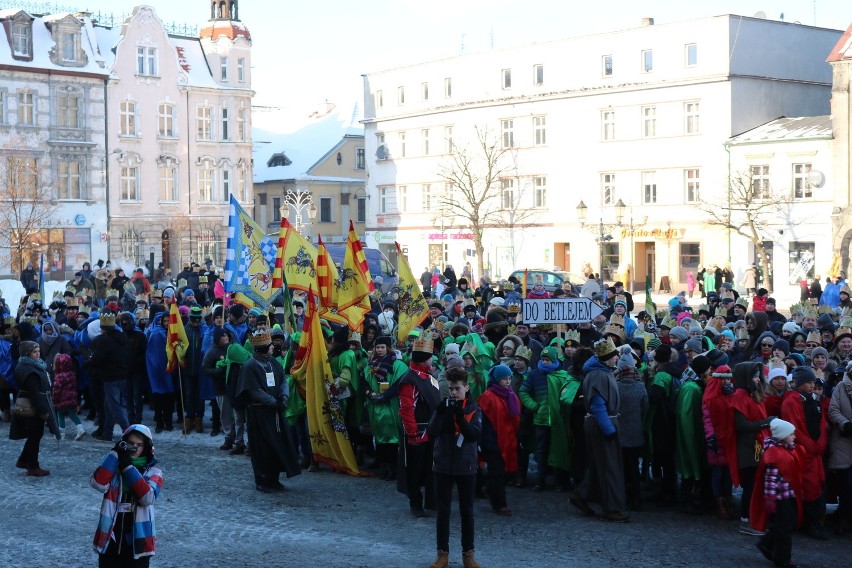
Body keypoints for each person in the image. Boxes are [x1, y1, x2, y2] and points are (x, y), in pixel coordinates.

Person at [426, 366, 482, 568]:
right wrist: (441, 413)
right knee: (443, 512)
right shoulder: (444, 406)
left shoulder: (474, 409)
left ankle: (468, 554)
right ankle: (442, 554)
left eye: (457, 388)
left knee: (467, 512)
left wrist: (459, 416)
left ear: (466, 388)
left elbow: (473, 435)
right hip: (442, 465)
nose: (454, 392)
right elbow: (432, 431)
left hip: (466, 465)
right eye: (451, 388)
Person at [570, 337, 628, 522]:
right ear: (607, 358)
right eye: (614, 356)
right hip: (602, 424)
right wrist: (608, 429)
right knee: (609, 466)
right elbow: (597, 405)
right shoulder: (599, 375)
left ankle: (582, 495)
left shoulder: (603, 372)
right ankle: (611, 507)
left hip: (604, 422)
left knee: (598, 464)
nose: (617, 358)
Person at [235, 330, 301, 492]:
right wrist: (274, 402)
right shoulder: (250, 366)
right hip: (259, 414)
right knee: (262, 448)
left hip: (275, 413)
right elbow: (254, 391)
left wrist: (283, 398)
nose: (273, 347)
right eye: (270, 345)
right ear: (264, 347)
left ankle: (274, 478)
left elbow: (283, 381)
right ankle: (263, 480)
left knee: (277, 446)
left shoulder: (273, 363)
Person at [91, 424, 163, 567]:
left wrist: (127, 467)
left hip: (139, 534)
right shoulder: (115, 466)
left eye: (139, 445)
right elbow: (97, 483)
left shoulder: (154, 471)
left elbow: (147, 498)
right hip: (111, 530)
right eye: (130, 443)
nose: (134, 448)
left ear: (147, 446)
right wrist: (114, 454)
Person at [398, 335, 442, 517]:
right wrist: (413, 433)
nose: (433, 359)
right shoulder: (410, 379)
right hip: (417, 434)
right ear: (425, 358)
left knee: (430, 468)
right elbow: (406, 409)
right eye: (430, 356)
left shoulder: (428, 377)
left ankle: (431, 502)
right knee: (414, 470)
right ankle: (416, 504)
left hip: (431, 433)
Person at [751, 419, 803, 568]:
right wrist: (770, 499)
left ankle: (766, 544)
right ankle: (783, 560)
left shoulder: (787, 449)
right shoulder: (774, 453)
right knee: (784, 531)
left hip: (789, 495)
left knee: (784, 526)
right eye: (791, 434)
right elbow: (770, 479)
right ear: (782, 436)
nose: (794, 436)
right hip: (781, 499)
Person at [12, 341, 61, 476]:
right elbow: (34, 394)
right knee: (35, 435)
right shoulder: (28, 370)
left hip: (32, 404)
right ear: (27, 353)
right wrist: (43, 411)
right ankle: (33, 466)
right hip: (31, 407)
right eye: (34, 352)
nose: (38, 354)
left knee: (35, 435)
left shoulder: (30, 366)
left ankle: (23, 460)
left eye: (38, 351)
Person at [478, 364, 521, 516]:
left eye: (509, 378)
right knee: (497, 474)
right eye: (504, 379)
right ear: (497, 379)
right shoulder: (488, 396)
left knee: (503, 473)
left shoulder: (510, 395)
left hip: (508, 440)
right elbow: (482, 421)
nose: (508, 381)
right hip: (493, 441)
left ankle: (491, 490)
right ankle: (499, 504)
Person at [88, 313, 130, 442]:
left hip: (110, 376)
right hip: (122, 375)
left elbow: (97, 359)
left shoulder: (103, 340)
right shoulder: (122, 337)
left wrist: (89, 359)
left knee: (115, 406)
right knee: (109, 405)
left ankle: (130, 432)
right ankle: (107, 433)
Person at [52, 353, 87, 440]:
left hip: (61, 400)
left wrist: (54, 399)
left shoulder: (59, 376)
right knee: (72, 414)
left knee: (60, 414)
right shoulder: (72, 374)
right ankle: (80, 428)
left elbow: (56, 389)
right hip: (72, 399)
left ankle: (61, 434)